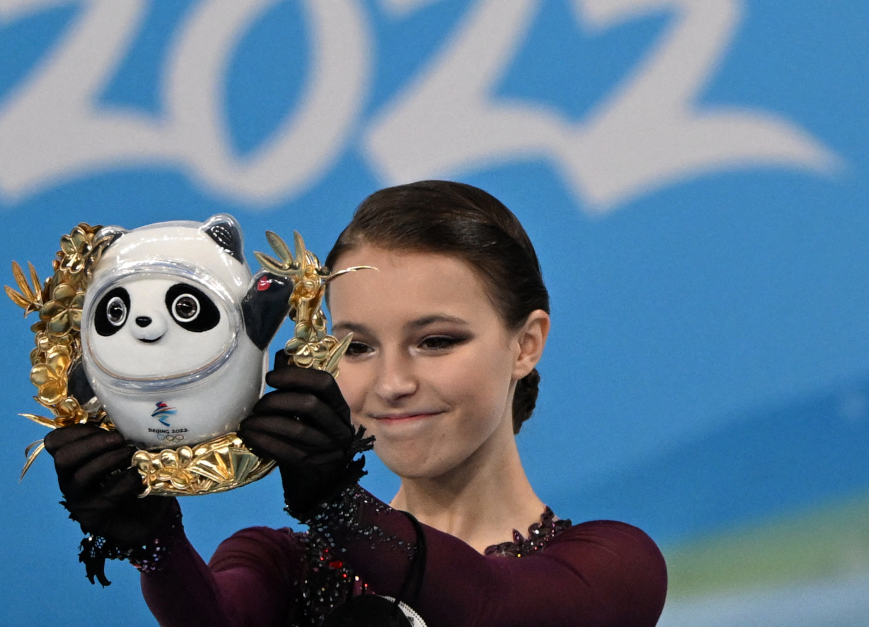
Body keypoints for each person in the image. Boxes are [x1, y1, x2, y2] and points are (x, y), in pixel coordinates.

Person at [44, 180, 668, 626]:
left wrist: (341, 506)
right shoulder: (279, 563)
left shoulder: (614, 567)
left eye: (436, 341)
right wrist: (153, 541)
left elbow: (490, 609)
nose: (392, 382)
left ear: (526, 344)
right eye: (360, 348)